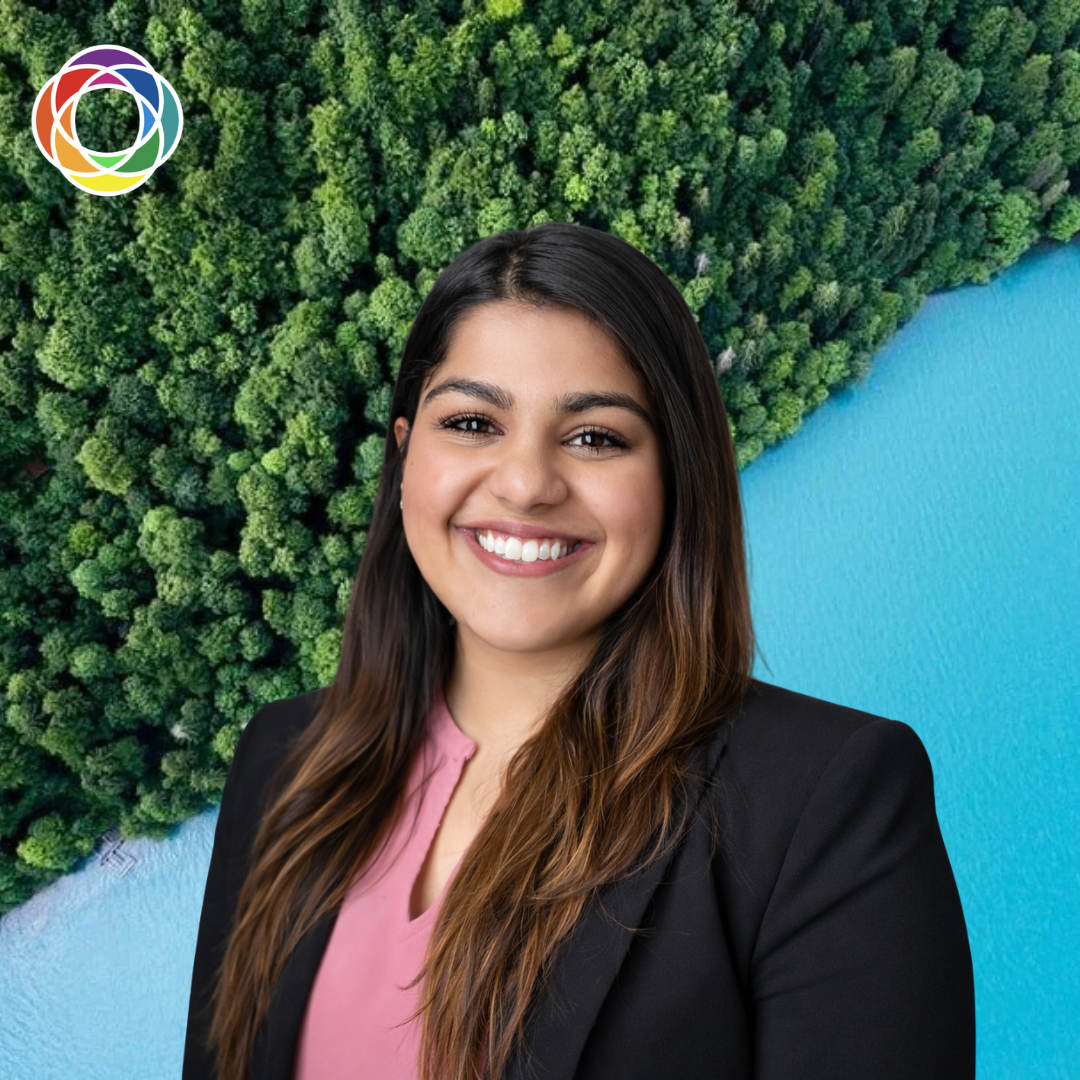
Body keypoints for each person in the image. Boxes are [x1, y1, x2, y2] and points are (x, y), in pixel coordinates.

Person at [182, 222, 975, 1080]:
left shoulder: (824, 802)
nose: (526, 483)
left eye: (595, 437)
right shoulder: (282, 759)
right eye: (474, 422)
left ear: (677, 476)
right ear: (405, 454)